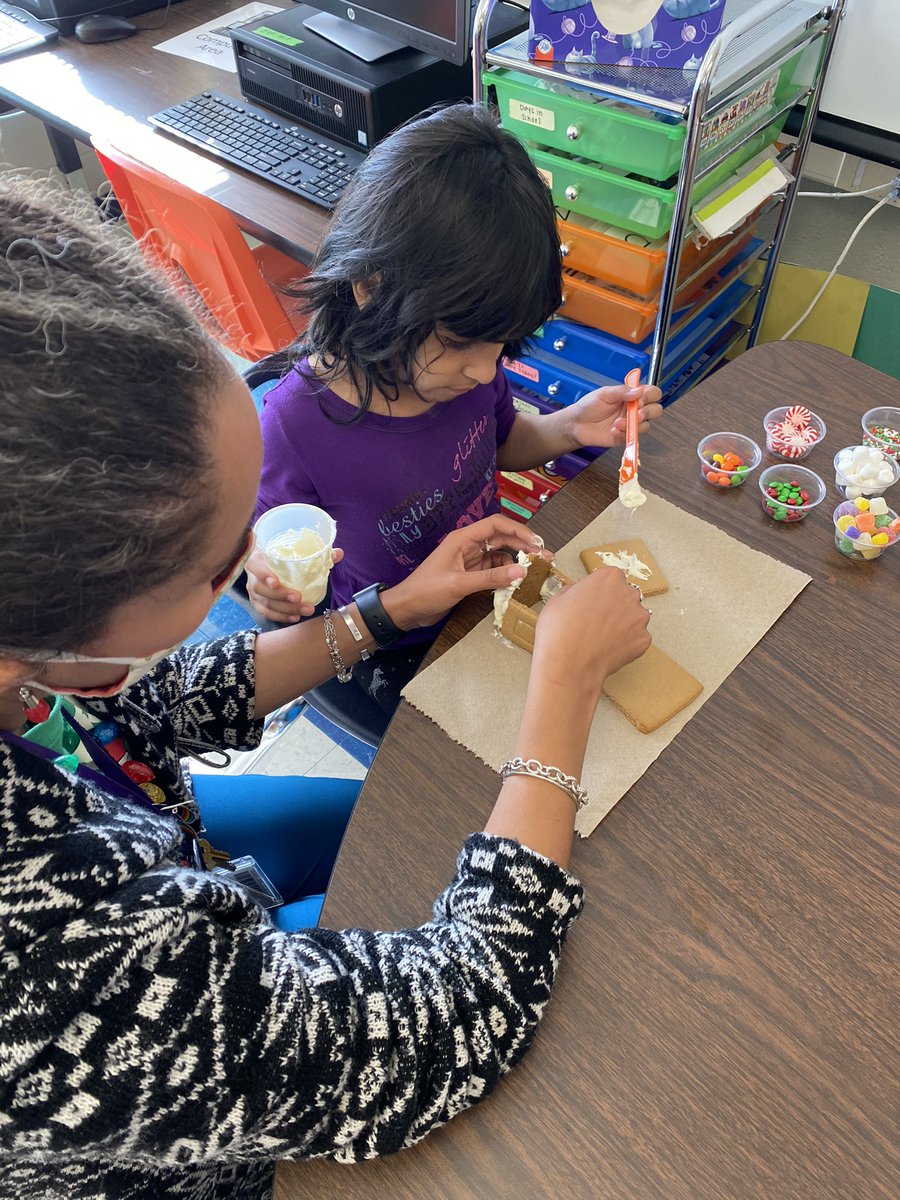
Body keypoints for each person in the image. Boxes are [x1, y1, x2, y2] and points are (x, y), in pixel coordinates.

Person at [0, 176, 650, 1200]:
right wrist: (560, 686)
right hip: (204, 1152)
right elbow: (452, 1022)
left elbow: (152, 699)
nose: (242, 584)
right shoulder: (52, 968)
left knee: (422, 827)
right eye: (220, 572)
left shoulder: (39, 668)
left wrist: (390, 610)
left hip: (162, 835)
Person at [245, 103, 663, 728]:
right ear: (370, 286)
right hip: (387, 645)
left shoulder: (466, 377)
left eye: (502, 345)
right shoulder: (293, 428)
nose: (487, 370)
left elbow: (503, 442)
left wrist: (571, 426)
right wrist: (271, 596)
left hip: (484, 599)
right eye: (465, 342)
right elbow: (280, 588)